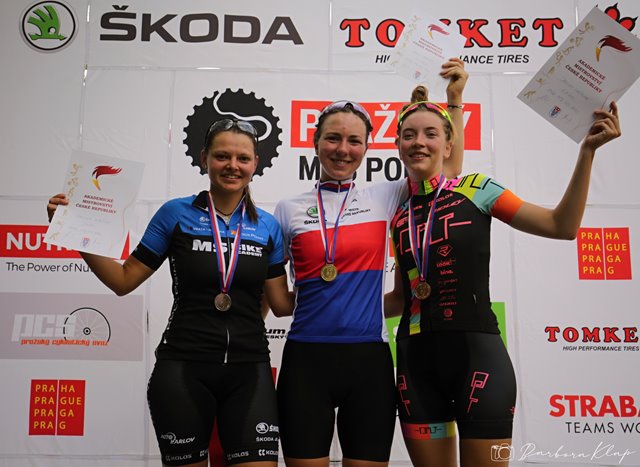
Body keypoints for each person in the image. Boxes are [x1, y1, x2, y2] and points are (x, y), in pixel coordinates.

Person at [385, 88, 621, 467]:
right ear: (398, 145)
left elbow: (560, 226)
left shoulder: (477, 189)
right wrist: (330, 307)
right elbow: (400, 298)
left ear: (448, 145)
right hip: (415, 363)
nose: (419, 142)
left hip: (479, 359)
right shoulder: (397, 213)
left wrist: (587, 153)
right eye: (409, 134)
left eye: (431, 133)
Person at [47, 118, 294, 467]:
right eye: (222, 156)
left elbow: (280, 302)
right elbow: (123, 280)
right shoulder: (175, 214)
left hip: (249, 371)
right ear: (204, 158)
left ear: (255, 163)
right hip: (183, 370)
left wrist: (336, 285)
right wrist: (73, 232)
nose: (232, 165)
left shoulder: (267, 225)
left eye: (242, 158)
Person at [272, 58, 468, 467]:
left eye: (354, 141)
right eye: (333, 138)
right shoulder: (287, 209)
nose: (342, 149)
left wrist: (454, 102)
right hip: (305, 360)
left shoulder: (384, 196)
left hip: (369, 361)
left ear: (366, 148)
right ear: (315, 142)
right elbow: (278, 299)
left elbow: (446, 170)